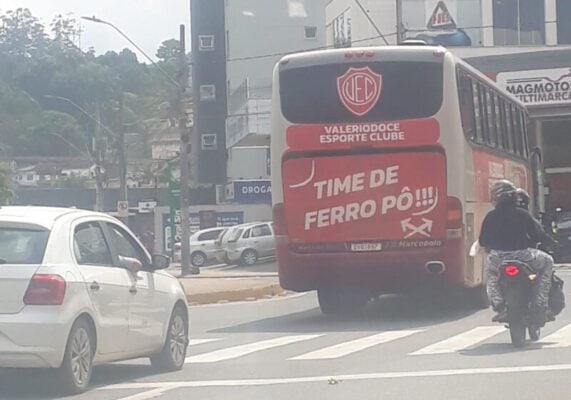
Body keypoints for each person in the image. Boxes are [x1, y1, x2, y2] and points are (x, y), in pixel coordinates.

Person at [479, 180, 554, 324]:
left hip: (497, 258)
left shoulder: (490, 216)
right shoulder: (522, 214)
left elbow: (483, 240)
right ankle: (540, 303)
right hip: (523, 256)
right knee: (548, 262)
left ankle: (499, 304)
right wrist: (552, 243)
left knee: (491, 274)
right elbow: (537, 235)